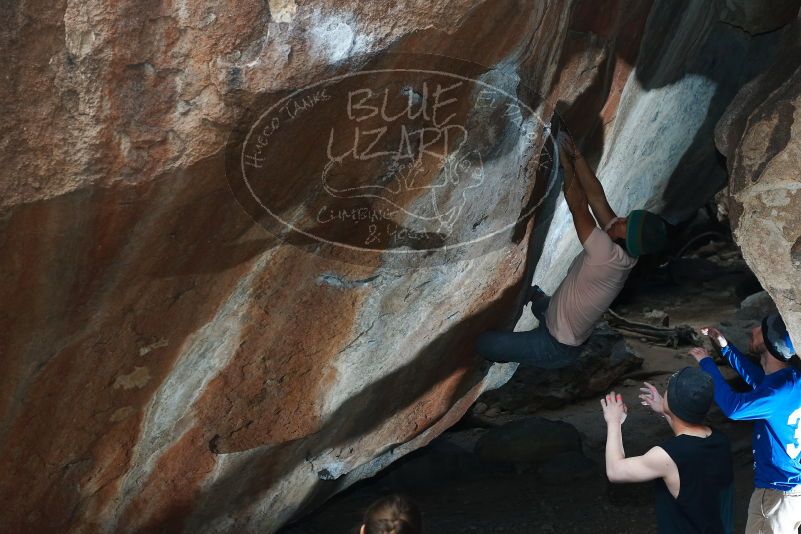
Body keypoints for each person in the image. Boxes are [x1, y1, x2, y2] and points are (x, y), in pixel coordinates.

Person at [476, 132, 669, 368]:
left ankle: (504, 353)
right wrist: (577, 156)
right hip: (556, 314)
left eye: (626, 222)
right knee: (535, 297)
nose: (622, 218)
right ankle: (537, 307)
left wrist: (565, 165)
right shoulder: (627, 249)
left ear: (626, 237)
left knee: (485, 344)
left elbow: (579, 206)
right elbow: (597, 198)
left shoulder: (606, 255)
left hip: (556, 345)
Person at [692, 314, 801, 534]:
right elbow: (757, 381)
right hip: (791, 492)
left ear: (772, 343)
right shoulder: (790, 379)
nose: (752, 329)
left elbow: (733, 408)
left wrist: (706, 363)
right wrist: (725, 347)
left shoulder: (776, 392)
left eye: (761, 329)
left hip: (776, 496)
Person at [602, 369, 734, 533]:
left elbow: (615, 471)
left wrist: (613, 421)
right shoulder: (720, 440)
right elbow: (686, 433)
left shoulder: (666, 456)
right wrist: (667, 411)